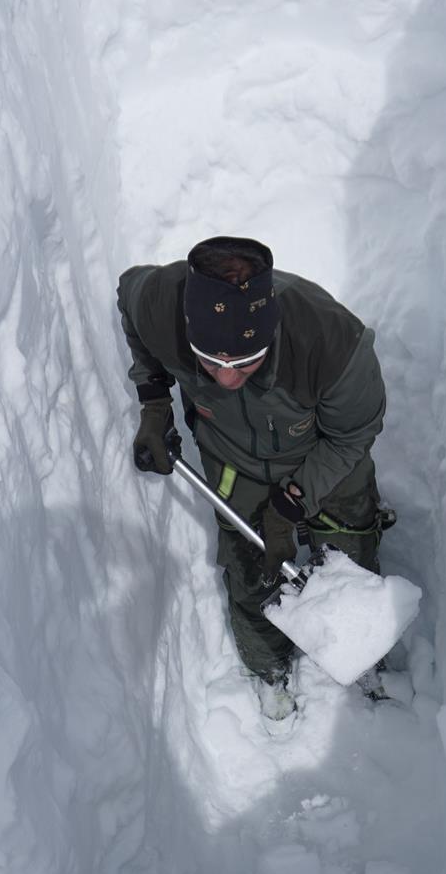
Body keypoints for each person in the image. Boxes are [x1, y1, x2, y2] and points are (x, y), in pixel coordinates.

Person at [117, 237, 388, 712]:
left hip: (324, 452)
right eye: (211, 362)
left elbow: (352, 436)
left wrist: (293, 501)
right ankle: (269, 668)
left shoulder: (328, 341)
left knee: (351, 547)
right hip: (233, 458)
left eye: (245, 363)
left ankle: (364, 651)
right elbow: (128, 297)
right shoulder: (162, 304)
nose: (226, 378)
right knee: (251, 572)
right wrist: (154, 402)